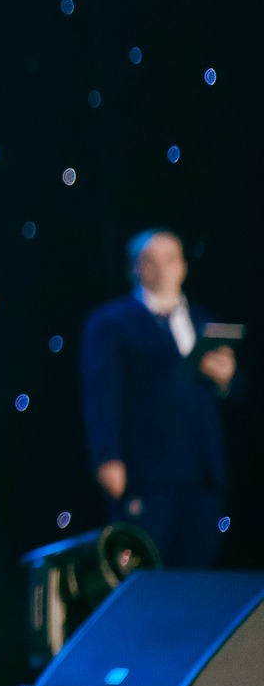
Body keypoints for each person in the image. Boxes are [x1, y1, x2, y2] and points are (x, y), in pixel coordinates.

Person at [79, 229, 243, 568]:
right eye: (150, 261)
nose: (162, 269)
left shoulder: (202, 320)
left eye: (170, 259)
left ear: (183, 266)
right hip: (147, 476)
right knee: (147, 573)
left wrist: (227, 378)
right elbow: (101, 394)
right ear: (135, 269)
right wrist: (107, 456)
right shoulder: (112, 323)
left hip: (201, 475)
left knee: (197, 573)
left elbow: (235, 389)